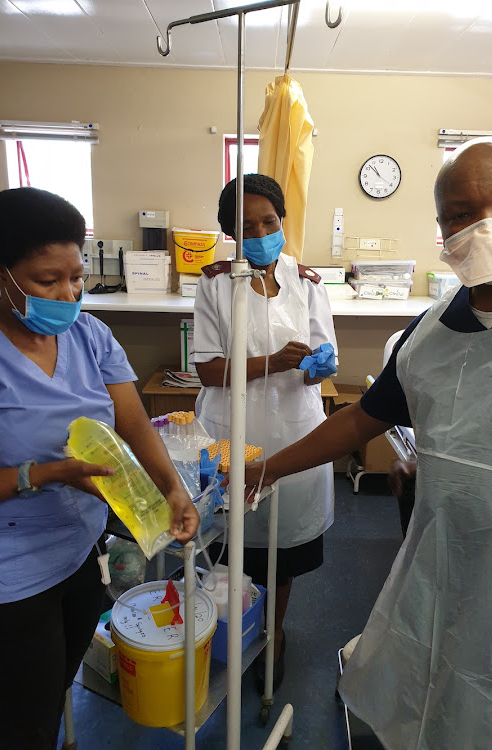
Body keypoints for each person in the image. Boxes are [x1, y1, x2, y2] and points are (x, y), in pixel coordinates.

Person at [242, 139, 492, 748]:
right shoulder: (430, 333)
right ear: (441, 229)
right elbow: (360, 421)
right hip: (444, 558)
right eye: (460, 214)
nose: (484, 225)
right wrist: (266, 470)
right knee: (443, 690)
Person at [0, 187, 199, 750]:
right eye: (48, 281)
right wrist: (43, 475)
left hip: (77, 551)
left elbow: (134, 425)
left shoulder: (89, 336)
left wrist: (172, 487)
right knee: (20, 722)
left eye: (76, 276)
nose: (70, 293)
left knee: (53, 692)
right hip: (4, 573)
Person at [193, 174, 337, 689]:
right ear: (229, 232)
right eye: (246, 226)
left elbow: (324, 355)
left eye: (268, 222)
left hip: (296, 433)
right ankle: (227, 627)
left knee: (283, 555)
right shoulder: (214, 283)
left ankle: (273, 632)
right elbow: (208, 369)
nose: (259, 233)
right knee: (232, 546)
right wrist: (272, 362)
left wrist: (319, 367)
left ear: (283, 221)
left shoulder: (309, 283)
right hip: (233, 433)